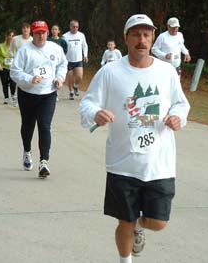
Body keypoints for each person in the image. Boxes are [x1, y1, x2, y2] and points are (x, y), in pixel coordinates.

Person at [79, 14, 190, 263]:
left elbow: (181, 104)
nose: (141, 40)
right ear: (126, 38)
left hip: (158, 164)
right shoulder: (110, 72)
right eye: (136, 35)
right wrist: (95, 113)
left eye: (146, 35)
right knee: (124, 222)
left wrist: (176, 117)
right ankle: (125, 259)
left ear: (152, 38)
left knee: (158, 222)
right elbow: (87, 104)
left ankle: (140, 225)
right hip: (122, 163)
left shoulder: (166, 71)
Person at [10, 21, 67, 178]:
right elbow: (14, 72)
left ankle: (44, 161)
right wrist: (29, 78)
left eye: (43, 32)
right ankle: (27, 151)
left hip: (48, 94)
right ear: (32, 34)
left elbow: (63, 64)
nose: (40, 36)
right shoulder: (24, 50)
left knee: (44, 125)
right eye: (37, 33)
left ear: (47, 33)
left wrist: (60, 78)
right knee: (28, 126)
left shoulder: (56, 49)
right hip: (27, 94)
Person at [63, 19, 88, 100]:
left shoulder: (81, 35)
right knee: (70, 77)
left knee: (79, 76)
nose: (75, 28)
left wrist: (85, 55)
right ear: (70, 27)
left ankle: (75, 86)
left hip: (78, 60)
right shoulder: (65, 36)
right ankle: (71, 92)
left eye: (77, 27)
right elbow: (61, 48)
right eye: (73, 26)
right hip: (68, 61)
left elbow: (85, 45)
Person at [0, 29, 17, 105]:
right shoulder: (1, 46)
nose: (11, 37)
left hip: (13, 68)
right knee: (4, 83)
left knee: (13, 83)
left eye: (12, 36)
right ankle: (6, 97)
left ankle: (13, 96)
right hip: (3, 67)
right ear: (6, 36)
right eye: (9, 35)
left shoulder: (16, 46)